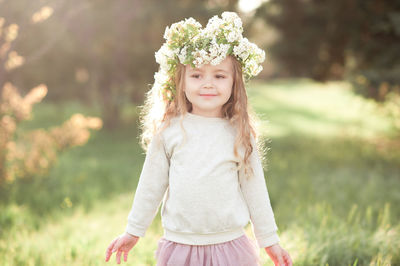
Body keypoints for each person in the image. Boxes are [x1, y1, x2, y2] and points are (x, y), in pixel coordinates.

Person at [105, 11, 292, 266]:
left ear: (234, 82)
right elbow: (151, 184)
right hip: (181, 246)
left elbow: (255, 188)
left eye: (219, 75)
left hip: (230, 246)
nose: (207, 84)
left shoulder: (239, 133)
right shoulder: (169, 131)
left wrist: (269, 240)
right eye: (196, 75)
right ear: (180, 82)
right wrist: (133, 231)